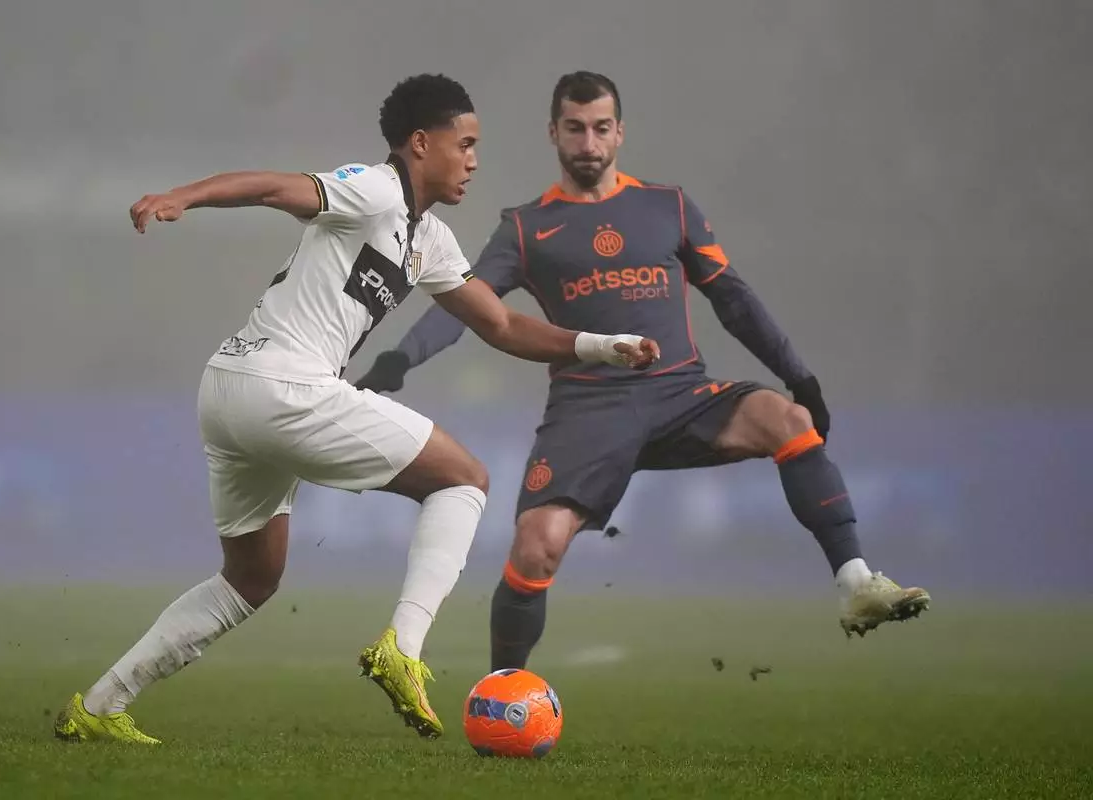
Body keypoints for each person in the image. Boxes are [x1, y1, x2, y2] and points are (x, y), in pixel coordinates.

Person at [52, 73, 659, 745]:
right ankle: (404, 647)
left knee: (250, 578)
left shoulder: (429, 239)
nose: (473, 160)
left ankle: (100, 705)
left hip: (230, 388)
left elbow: (501, 325)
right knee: (465, 480)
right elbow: (273, 187)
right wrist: (182, 197)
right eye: (464, 144)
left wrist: (598, 345)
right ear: (420, 144)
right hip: (284, 386)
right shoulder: (374, 189)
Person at [355, 71, 930, 674]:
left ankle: (855, 583)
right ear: (553, 133)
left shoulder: (667, 207)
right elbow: (467, 306)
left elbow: (732, 298)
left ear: (620, 132)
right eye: (575, 129)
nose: (589, 143)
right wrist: (400, 359)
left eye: (601, 128)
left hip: (681, 393)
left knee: (786, 419)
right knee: (535, 546)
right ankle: (503, 688)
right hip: (589, 409)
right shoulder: (526, 228)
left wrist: (800, 377)